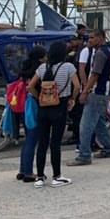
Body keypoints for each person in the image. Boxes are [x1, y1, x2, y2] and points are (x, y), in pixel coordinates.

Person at [30, 41, 80, 187]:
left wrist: (38, 96)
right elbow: (77, 86)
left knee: (42, 142)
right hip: (60, 106)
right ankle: (56, 176)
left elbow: (30, 86)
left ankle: (39, 177)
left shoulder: (42, 67)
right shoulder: (68, 67)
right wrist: (72, 99)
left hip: (43, 107)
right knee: (55, 142)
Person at [68, 30, 110, 166]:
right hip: (103, 90)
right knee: (98, 123)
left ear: (101, 38)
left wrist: (85, 91)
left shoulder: (100, 54)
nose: (89, 41)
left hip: (97, 91)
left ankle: (84, 155)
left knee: (86, 125)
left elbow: (94, 75)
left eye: (92, 38)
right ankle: (109, 148)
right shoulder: (109, 51)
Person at [17, 46, 46, 183]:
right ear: (41, 57)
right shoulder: (39, 70)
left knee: (28, 139)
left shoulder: (25, 69)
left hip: (23, 105)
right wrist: (39, 98)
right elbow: (32, 88)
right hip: (34, 105)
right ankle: (28, 172)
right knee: (32, 139)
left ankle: (22, 170)